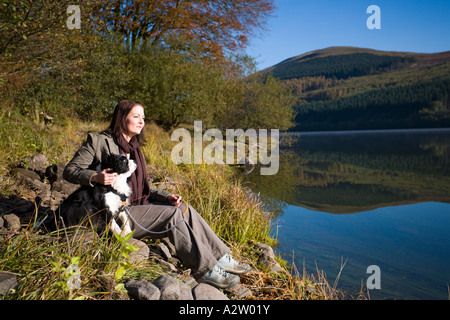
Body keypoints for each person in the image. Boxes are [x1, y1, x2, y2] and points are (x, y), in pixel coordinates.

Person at [63, 99, 250, 289]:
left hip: (138, 205)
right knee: (172, 216)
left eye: (143, 117)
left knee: (183, 208)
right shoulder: (98, 141)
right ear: (121, 117)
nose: (141, 121)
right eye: (136, 116)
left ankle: (222, 257)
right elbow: (70, 170)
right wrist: (95, 176)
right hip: (114, 214)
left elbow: (144, 188)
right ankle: (205, 270)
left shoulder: (135, 148)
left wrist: (166, 196)